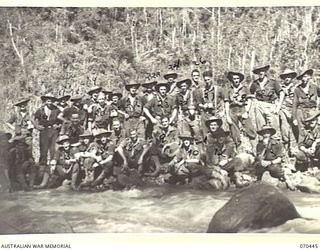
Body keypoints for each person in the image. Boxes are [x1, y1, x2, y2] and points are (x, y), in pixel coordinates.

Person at [32, 93, 61, 186]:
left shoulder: (56, 109)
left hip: (53, 130)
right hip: (44, 130)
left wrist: (58, 126)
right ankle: (41, 170)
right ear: (45, 101)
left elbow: (62, 118)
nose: (50, 102)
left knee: (53, 150)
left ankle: (53, 170)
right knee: (43, 150)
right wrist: (37, 126)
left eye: (51, 100)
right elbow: (33, 118)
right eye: (48, 100)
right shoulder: (40, 110)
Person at [225, 71, 256, 149]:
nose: (236, 80)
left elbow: (249, 100)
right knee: (234, 132)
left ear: (240, 79)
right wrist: (227, 116)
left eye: (237, 78)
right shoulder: (228, 89)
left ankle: (255, 150)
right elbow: (226, 103)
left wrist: (247, 112)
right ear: (232, 79)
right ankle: (238, 150)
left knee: (250, 129)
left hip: (242, 109)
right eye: (234, 78)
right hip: (232, 110)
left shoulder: (245, 88)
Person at [250, 65, 284, 133]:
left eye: (262, 71)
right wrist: (254, 102)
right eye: (258, 71)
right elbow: (250, 93)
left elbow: (281, 93)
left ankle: (274, 143)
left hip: (271, 106)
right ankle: (262, 142)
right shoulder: (255, 83)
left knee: (274, 129)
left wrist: (278, 107)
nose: (260, 73)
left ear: (265, 72)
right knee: (260, 129)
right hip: (259, 106)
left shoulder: (273, 82)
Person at [193, 70, 226, 137]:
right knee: (205, 135)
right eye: (205, 80)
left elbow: (226, 101)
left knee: (219, 134)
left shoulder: (219, 89)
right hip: (205, 114)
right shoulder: (201, 90)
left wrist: (223, 112)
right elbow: (198, 103)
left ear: (211, 78)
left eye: (208, 79)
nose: (207, 81)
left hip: (216, 114)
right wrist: (203, 106)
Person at [292, 69, 320, 136]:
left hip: (312, 111)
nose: (303, 79)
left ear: (309, 77)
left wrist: (318, 109)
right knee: (302, 132)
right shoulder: (297, 89)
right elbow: (294, 104)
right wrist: (294, 118)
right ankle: (302, 145)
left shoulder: (314, 87)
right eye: (301, 77)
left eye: (305, 76)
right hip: (301, 111)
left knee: (315, 130)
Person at [174, 78, 201, 142]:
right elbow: (176, 107)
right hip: (184, 117)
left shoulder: (193, 93)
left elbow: (199, 103)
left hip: (193, 117)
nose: (183, 88)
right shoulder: (178, 96)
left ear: (187, 86)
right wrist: (178, 116)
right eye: (181, 86)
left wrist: (195, 109)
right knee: (186, 135)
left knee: (197, 133)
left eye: (184, 86)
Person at [278, 69, 299, 151]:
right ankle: (286, 150)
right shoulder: (280, 87)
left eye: (289, 76)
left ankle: (302, 149)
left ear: (292, 77)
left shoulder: (296, 87)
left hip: (295, 110)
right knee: (284, 130)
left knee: (297, 130)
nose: (287, 78)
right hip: (284, 109)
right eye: (285, 76)